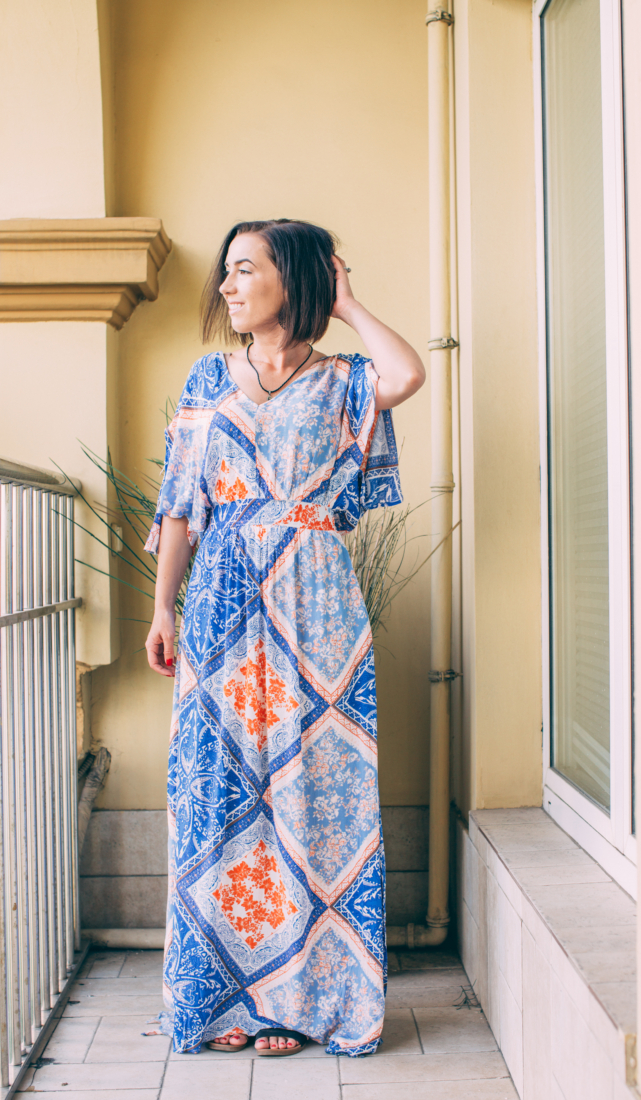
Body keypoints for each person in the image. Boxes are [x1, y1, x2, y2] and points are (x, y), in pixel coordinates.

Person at [144, 219, 425, 1057]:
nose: (226, 287)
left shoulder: (343, 379)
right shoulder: (205, 378)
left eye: (244, 270)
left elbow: (407, 373)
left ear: (290, 280)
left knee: (313, 799)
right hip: (221, 604)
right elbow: (181, 507)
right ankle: (229, 1000)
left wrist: (345, 302)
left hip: (317, 607)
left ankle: (304, 1001)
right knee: (220, 799)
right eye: (226, 275)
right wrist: (164, 608)